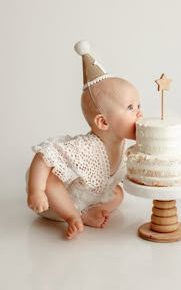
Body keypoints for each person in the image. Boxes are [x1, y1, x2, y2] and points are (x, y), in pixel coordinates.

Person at [27, 40, 142, 240]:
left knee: (118, 194)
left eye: (139, 105)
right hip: (56, 201)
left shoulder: (123, 147)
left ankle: (89, 212)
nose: (140, 113)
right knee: (53, 179)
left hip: (91, 195)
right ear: (103, 122)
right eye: (131, 108)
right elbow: (43, 154)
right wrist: (36, 191)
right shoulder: (86, 147)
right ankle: (73, 215)